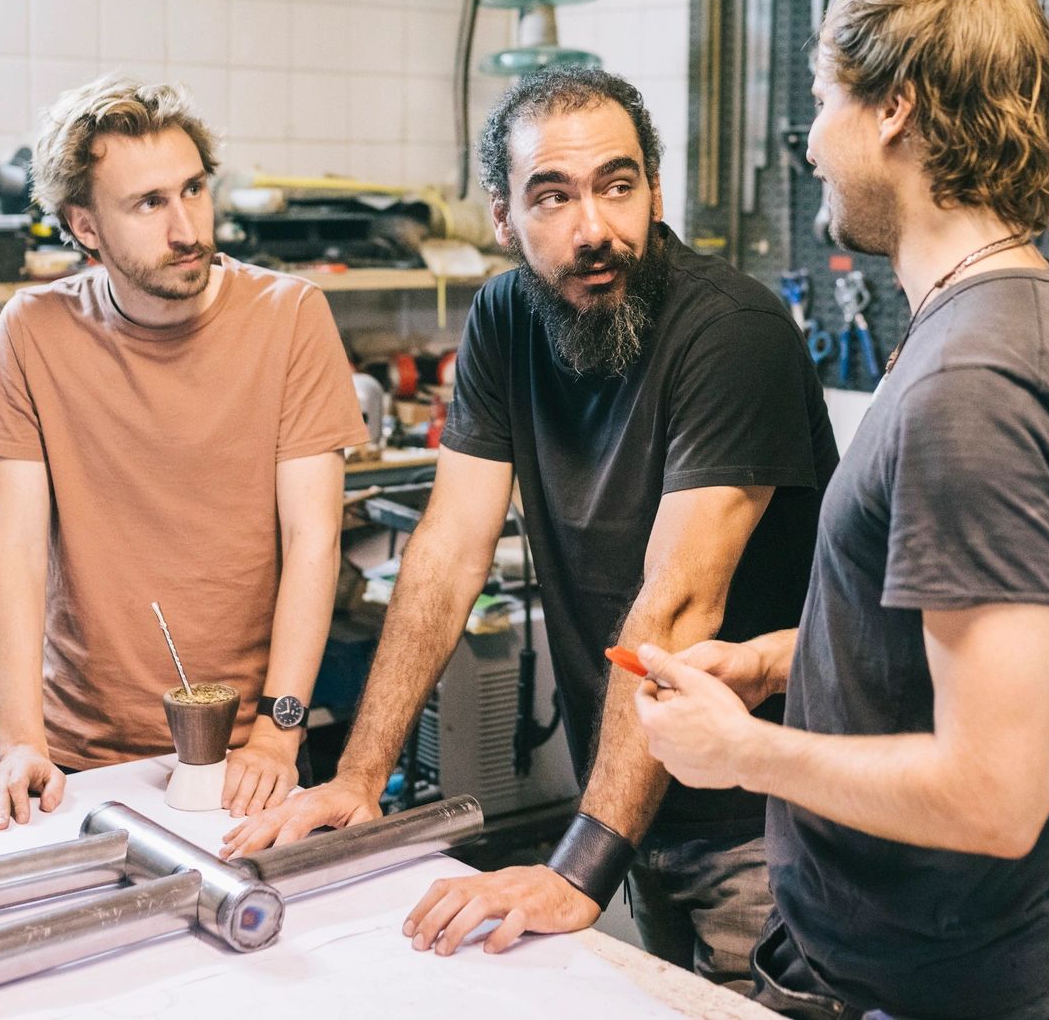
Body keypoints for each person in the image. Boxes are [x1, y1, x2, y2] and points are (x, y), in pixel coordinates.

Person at [223, 68, 836, 990]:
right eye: (553, 196)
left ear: (655, 192)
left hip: (763, 823)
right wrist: (359, 778)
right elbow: (446, 549)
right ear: (502, 220)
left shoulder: (732, 332)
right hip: (639, 796)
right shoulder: (507, 316)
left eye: (617, 186)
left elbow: (677, 606)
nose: (594, 228)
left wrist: (576, 866)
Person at [634, 0, 1049, 1020]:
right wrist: (785, 659)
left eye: (823, 103)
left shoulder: (974, 382)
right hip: (909, 960)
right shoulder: (1015, 314)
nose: (811, 142)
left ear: (896, 107)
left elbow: (996, 791)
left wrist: (741, 752)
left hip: (923, 983)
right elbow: (946, 649)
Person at [0, 75, 367, 828]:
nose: (187, 228)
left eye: (194, 190)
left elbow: (315, 538)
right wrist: (21, 741)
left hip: (249, 756)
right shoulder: (33, 330)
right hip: (80, 755)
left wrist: (281, 732)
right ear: (84, 227)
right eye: (149, 204)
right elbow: (11, 545)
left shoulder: (290, 317)